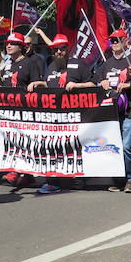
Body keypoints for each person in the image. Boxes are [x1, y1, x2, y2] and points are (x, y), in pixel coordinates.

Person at [28, 34, 94, 195]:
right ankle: (52, 181)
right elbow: (50, 83)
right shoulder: (51, 66)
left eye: (61, 48)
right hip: (52, 118)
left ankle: (78, 179)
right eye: (55, 49)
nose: (58, 51)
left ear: (68, 49)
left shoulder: (78, 65)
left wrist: (78, 85)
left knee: (74, 147)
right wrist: (39, 83)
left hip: (74, 117)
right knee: (51, 147)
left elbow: (94, 83)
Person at [0, 32, 43, 186]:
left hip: (26, 110)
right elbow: (7, 86)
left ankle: (22, 172)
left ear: (21, 47)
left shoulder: (30, 63)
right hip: (9, 110)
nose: (8, 45)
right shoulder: (7, 64)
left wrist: (34, 84)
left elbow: (37, 84)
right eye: (7, 43)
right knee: (12, 139)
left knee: (25, 142)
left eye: (12, 43)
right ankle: (17, 171)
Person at [95, 29, 131, 193]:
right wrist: (102, 83)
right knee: (114, 146)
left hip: (129, 111)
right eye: (112, 40)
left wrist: (129, 85)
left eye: (117, 40)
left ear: (125, 41)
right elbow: (96, 81)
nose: (114, 43)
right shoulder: (106, 63)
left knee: (127, 145)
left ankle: (130, 178)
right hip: (111, 113)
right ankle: (118, 179)